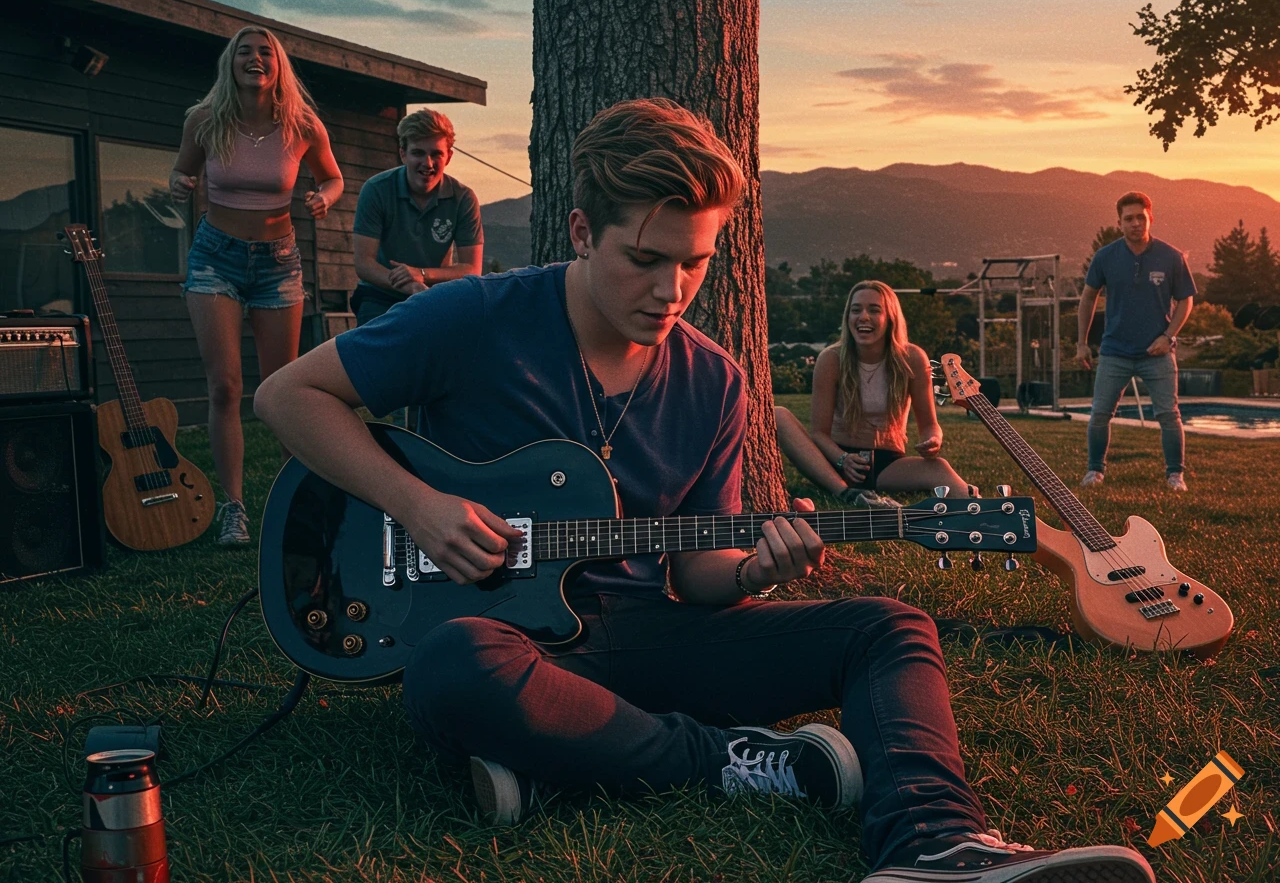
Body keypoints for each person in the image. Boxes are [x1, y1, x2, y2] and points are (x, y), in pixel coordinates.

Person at [254, 99, 1153, 883]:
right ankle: (727, 760)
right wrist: (416, 504)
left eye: (696, 261)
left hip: (651, 640)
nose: (671, 288)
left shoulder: (715, 381)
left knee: (890, 626)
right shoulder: (473, 318)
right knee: (453, 666)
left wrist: (759, 569)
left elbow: (699, 576)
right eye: (644, 259)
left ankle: (937, 846)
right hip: (503, 640)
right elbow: (288, 396)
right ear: (579, 232)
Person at [170, 25, 343, 546]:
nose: (254, 59)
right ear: (231, 63)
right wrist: (179, 184)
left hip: (278, 262)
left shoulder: (303, 126)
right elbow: (180, 176)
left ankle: (294, 507)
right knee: (225, 386)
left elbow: (332, 177)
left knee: (280, 392)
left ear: (278, 66)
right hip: (214, 260)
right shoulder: (205, 121)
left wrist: (324, 197)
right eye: (244, 51)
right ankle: (234, 509)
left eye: (265, 52)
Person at [775, 281, 971, 507]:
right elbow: (819, 433)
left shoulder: (913, 358)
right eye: (856, 310)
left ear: (890, 318)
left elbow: (929, 424)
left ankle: (984, 513)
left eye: (874, 310)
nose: (863, 317)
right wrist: (843, 459)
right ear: (848, 317)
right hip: (835, 462)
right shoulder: (831, 359)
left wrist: (934, 440)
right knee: (779, 415)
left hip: (888, 465)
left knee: (940, 469)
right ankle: (847, 493)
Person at [1076, 191, 1195, 492]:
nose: (1135, 223)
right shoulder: (1106, 257)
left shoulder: (1171, 257)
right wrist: (1082, 341)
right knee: (1101, 413)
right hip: (1115, 350)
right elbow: (1088, 297)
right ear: (1119, 223)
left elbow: (1185, 301)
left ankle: (1175, 475)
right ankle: (1094, 471)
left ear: (1150, 217)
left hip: (1157, 352)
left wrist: (1168, 337)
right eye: (1128, 219)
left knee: (1169, 414)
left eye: (1140, 217)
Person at [350, 108, 484, 327]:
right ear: (403, 153)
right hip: (381, 293)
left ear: (448, 156)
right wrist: (408, 285)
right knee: (378, 352)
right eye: (418, 153)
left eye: (436, 154)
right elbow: (364, 263)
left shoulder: (463, 198)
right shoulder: (376, 190)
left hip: (434, 294)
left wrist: (422, 275)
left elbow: (472, 268)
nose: (428, 163)